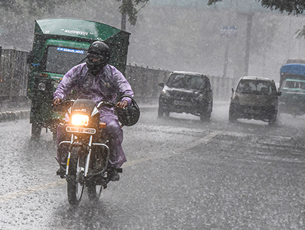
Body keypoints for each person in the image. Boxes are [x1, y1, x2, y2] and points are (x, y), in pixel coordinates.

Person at [53, 41, 134, 181]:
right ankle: (63, 164)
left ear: (105, 59)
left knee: (114, 128)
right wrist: (58, 97)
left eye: (97, 57)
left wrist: (125, 99)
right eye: (91, 57)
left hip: (104, 111)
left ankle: (112, 166)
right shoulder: (78, 70)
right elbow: (63, 85)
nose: (94, 60)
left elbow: (126, 89)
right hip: (79, 109)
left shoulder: (113, 73)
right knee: (62, 127)